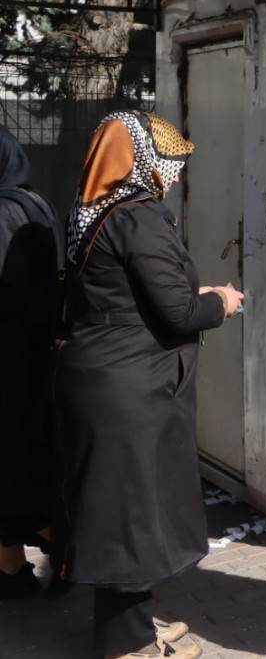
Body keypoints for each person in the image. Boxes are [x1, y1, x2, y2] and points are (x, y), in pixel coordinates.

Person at [56, 110, 243, 659]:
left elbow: (126, 292)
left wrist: (191, 295)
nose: (176, 174)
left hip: (103, 373)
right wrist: (221, 301)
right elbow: (181, 313)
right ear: (141, 160)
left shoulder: (93, 210)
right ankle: (128, 643)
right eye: (169, 162)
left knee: (122, 506)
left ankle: (135, 625)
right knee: (130, 512)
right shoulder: (140, 215)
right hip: (130, 386)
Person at [0, 125, 62, 598]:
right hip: (30, 354)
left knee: (17, 468)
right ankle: (12, 568)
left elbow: (8, 291)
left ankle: (65, 552)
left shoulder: (4, 211)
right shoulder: (32, 202)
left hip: (13, 360)